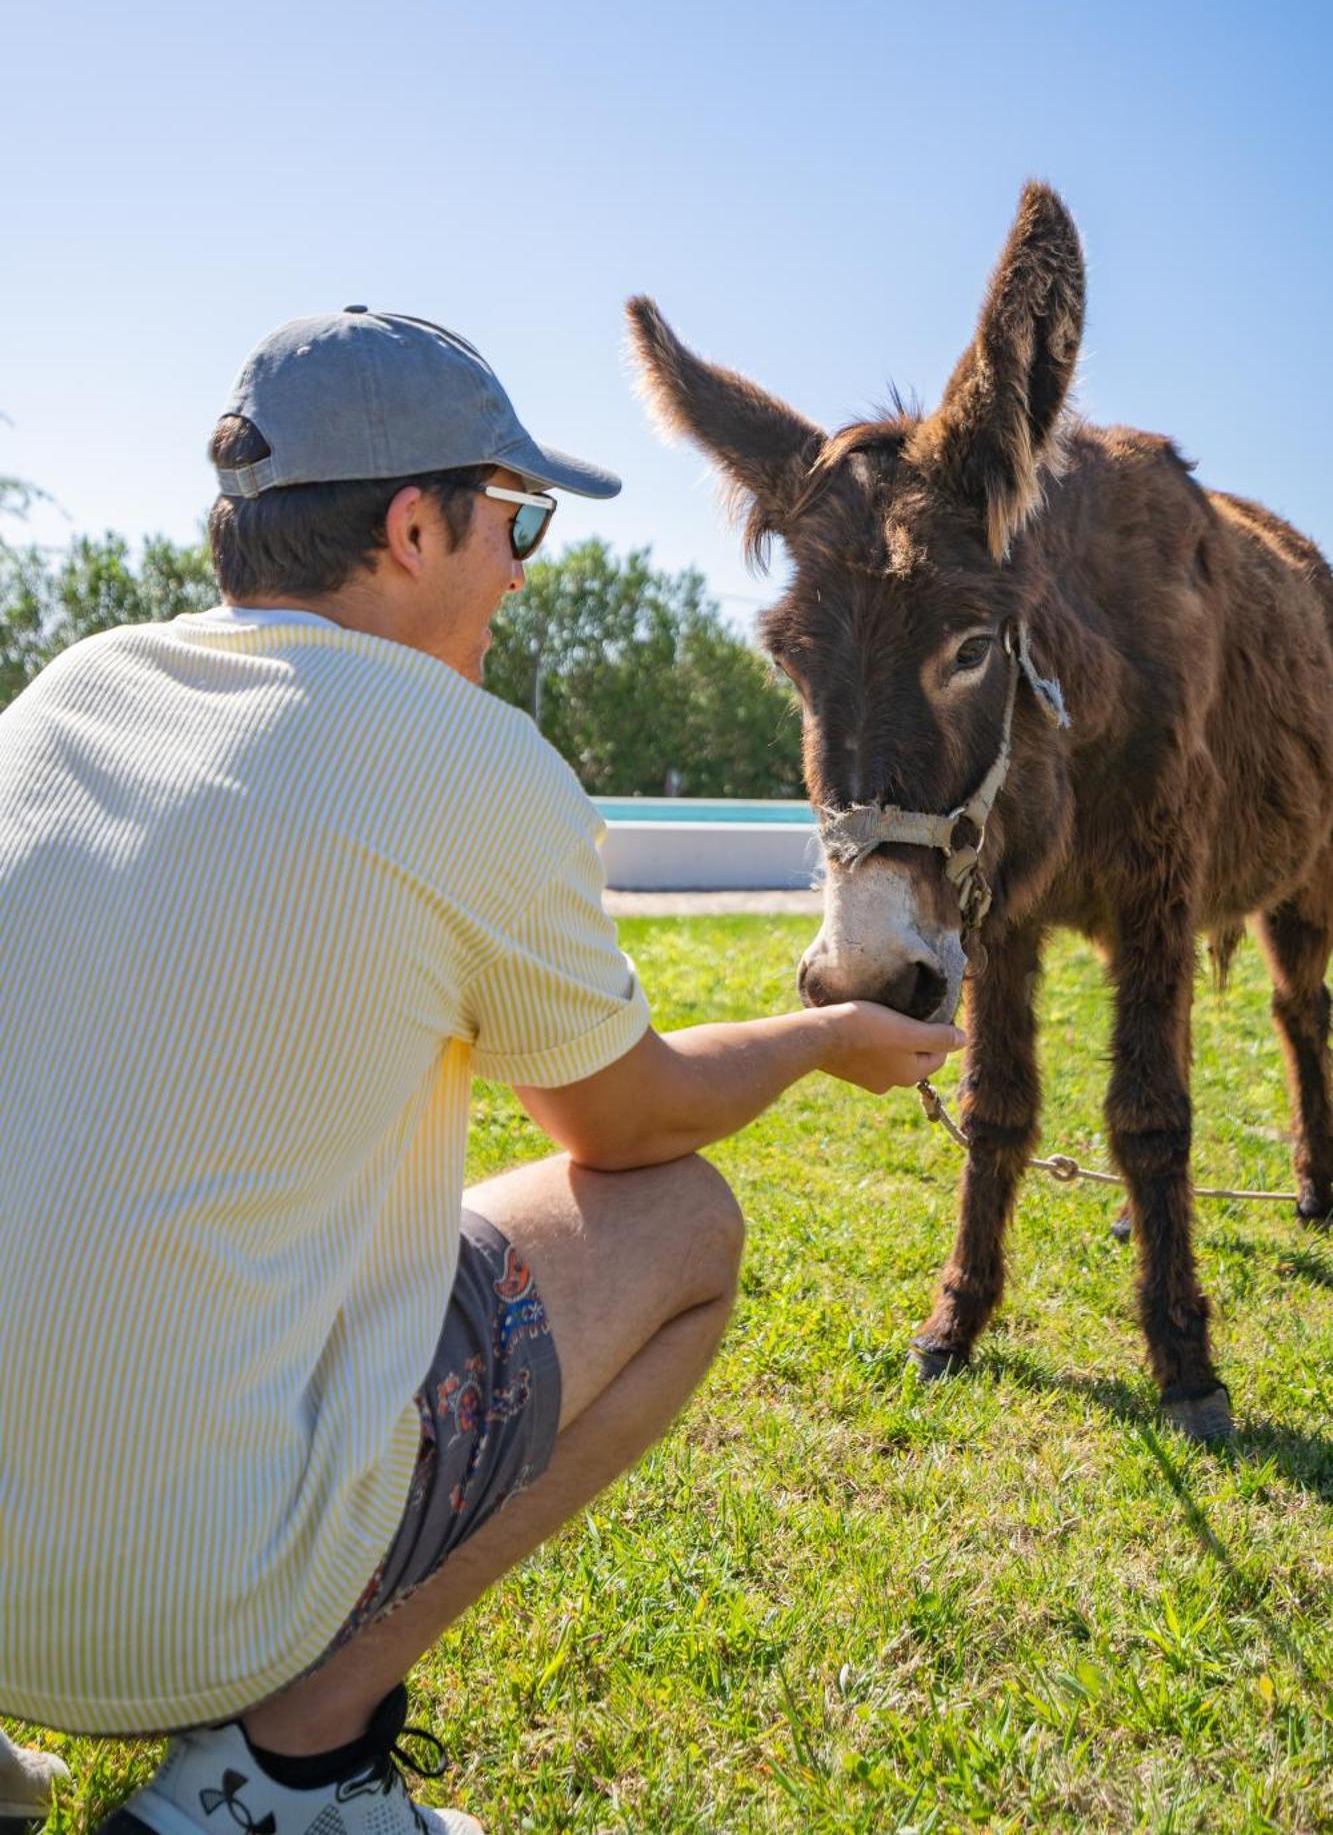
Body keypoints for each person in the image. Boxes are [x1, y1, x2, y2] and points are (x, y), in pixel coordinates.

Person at [0, 309, 962, 1835]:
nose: (522, 566)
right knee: (681, 1230)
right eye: (514, 518)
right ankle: (284, 1765)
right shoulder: (470, 759)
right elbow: (626, 1122)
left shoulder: (66, 699)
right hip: (179, 1609)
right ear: (408, 525)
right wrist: (824, 1038)